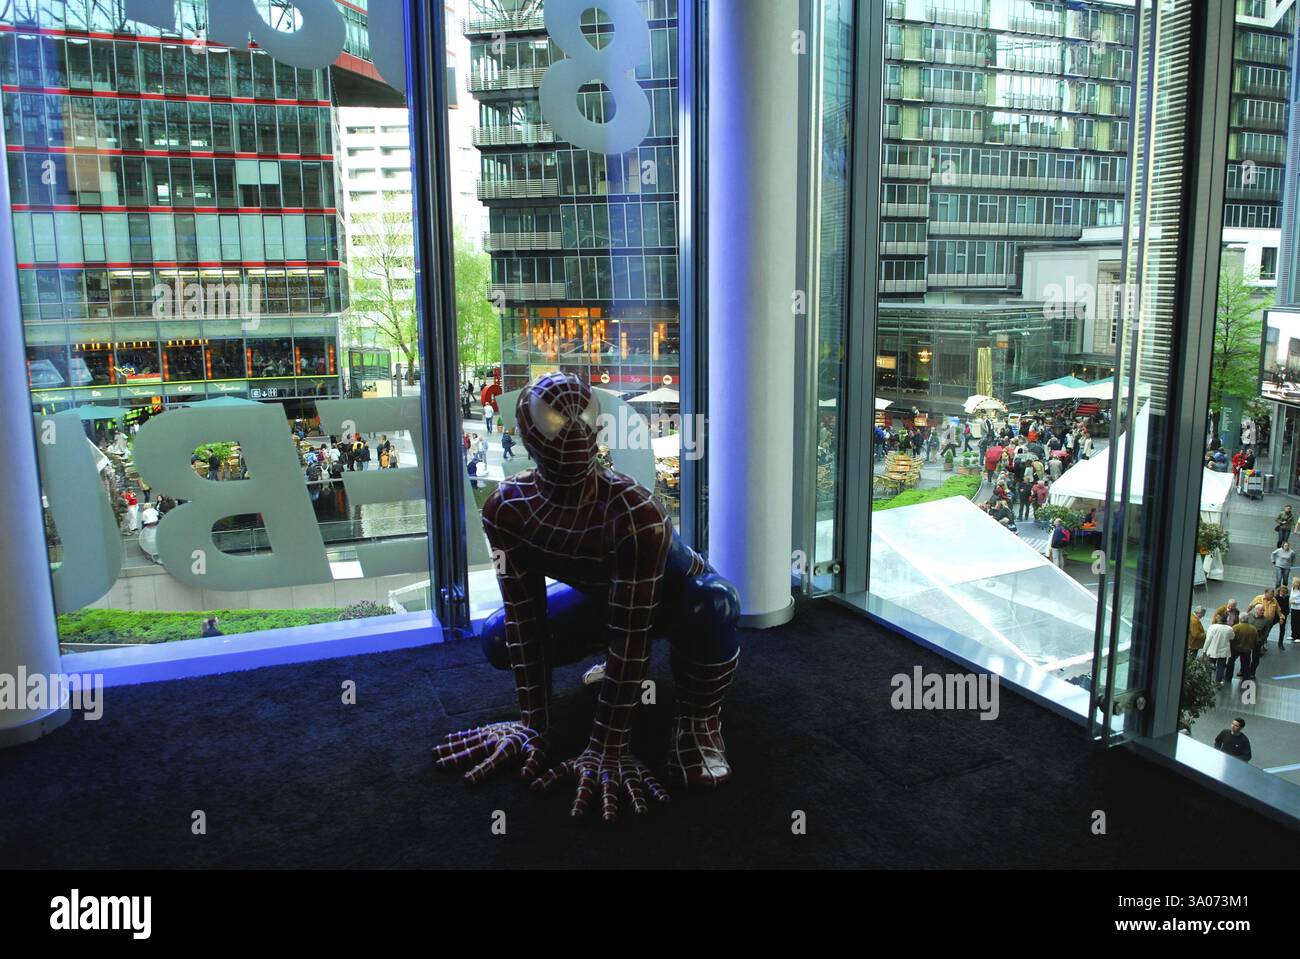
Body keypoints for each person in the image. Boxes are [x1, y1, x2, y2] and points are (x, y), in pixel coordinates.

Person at [1203, 621, 1234, 687]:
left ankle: (1207, 681)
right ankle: (1218, 682)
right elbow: (1232, 637)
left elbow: (1208, 639)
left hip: (1212, 650)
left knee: (1209, 666)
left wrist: (1205, 649)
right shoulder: (1229, 628)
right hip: (1223, 651)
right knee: (1221, 667)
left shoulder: (1212, 627)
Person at [1231, 616, 1262, 681]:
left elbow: (1231, 638)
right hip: (1247, 649)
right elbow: (1256, 640)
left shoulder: (1236, 627)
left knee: (1231, 662)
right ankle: (1246, 678)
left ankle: (1228, 676)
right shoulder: (1253, 628)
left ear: (1240, 619)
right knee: (1246, 664)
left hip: (1236, 648)